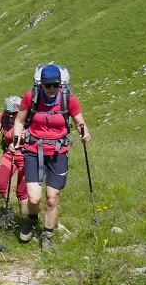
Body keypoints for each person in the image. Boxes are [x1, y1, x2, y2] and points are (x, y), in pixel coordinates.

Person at [12, 64, 90, 249]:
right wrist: (16, 139)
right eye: (48, 86)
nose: (52, 89)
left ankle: (48, 233)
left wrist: (85, 133)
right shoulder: (32, 96)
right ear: (41, 85)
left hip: (58, 153)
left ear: (60, 84)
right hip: (33, 150)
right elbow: (19, 120)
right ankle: (32, 220)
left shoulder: (68, 99)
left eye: (56, 85)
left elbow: (80, 122)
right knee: (33, 198)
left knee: (52, 198)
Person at [0, 96, 27, 227]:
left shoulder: (30, 118)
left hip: (27, 156)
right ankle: (7, 211)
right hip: (9, 154)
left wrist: (29, 136)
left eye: (14, 114)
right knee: (0, 183)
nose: (11, 116)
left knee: (22, 191)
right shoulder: (2, 117)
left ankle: (24, 222)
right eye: (9, 113)